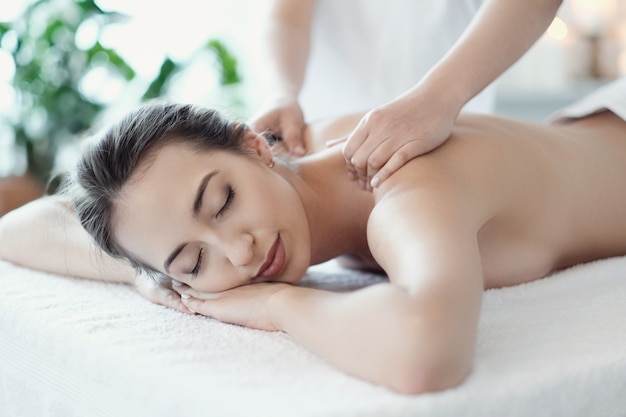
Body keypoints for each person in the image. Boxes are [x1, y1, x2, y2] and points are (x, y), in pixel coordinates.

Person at [2, 78, 626, 395]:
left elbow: (427, 353)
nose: (239, 251)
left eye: (222, 201)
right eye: (193, 258)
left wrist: (275, 303)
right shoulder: (296, 174)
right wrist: (159, 279)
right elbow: (21, 228)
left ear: (255, 146)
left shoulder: (399, 186)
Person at [249, 0, 563, 189]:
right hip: (325, 132)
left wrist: (437, 100)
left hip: (446, 128)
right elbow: (285, 14)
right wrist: (282, 91)